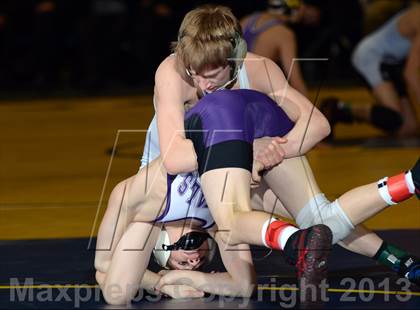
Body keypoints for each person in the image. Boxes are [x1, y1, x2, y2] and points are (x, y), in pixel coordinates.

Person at [95, 88, 420, 306]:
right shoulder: (218, 222)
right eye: (199, 258)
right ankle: (408, 202)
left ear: (161, 236)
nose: (195, 256)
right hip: (240, 125)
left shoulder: (143, 198)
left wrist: (152, 282)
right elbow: (243, 284)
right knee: (319, 219)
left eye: (185, 250)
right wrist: (178, 277)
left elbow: (103, 269)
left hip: (204, 115)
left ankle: (295, 242)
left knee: (116, 291)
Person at [320, 5, 420, 139]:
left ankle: (340, 111)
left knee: (409, 129)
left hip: (391, 63)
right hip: (370, 57)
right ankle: (338, 108)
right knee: (394, 120)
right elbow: (410, 74)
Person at [240, 0, 308, 96]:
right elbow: (295, 81)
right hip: (257, 95)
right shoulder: (284, 34)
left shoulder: (245, 20)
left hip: (236, 90)